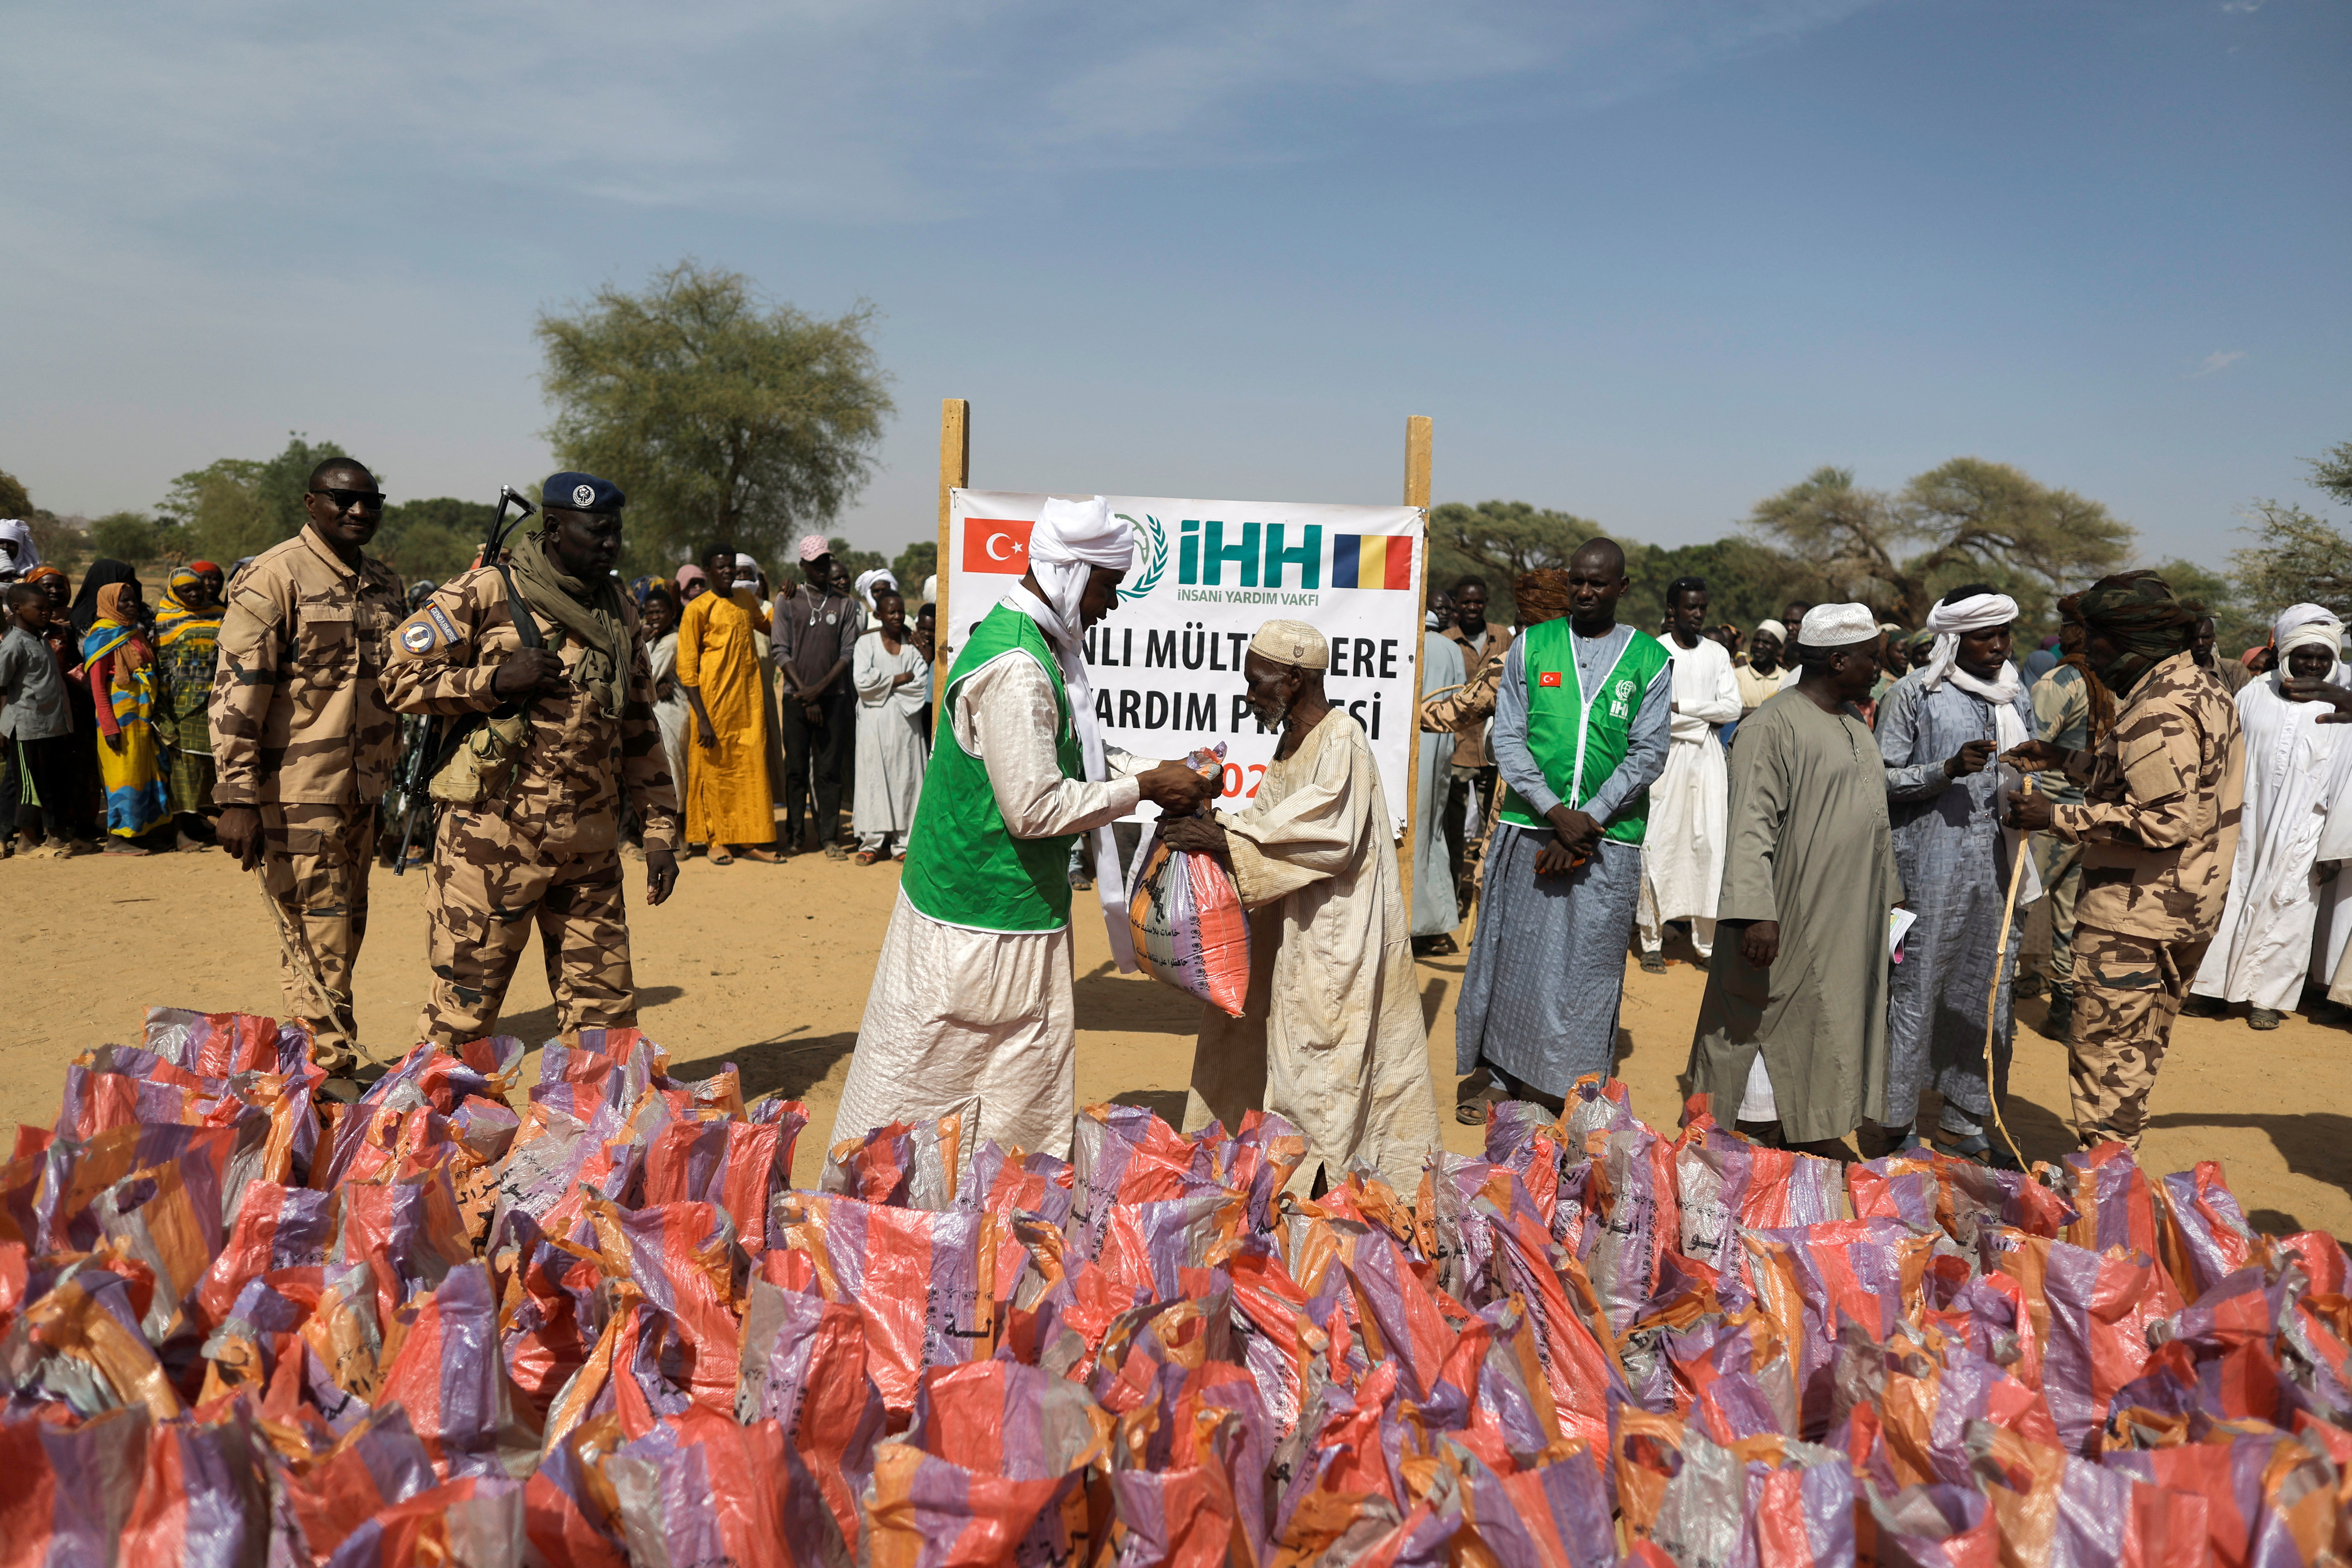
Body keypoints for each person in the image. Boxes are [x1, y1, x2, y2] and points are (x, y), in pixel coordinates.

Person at [827, 496, 1217, 1160]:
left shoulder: (1034, 642)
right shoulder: (1018, 663)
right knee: (931, 1101)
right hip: (978, 920)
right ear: (1071, 573)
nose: (1111, 604)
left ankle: (986, 1224)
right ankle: (888, 1217)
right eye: (1108, 587)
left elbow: (1064, 754)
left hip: (1001, 910)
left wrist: (1150, 771)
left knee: (1002, 1096)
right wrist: (1146, 788)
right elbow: (1033, 807)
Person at [384, 472, 680, 1050]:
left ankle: (593, 1135)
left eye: (617, 532)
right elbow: (396, 677)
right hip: (491, 845)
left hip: (588, 847)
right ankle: (437, 1136)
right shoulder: (485, 592)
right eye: (597, 532)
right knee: (462, 1015)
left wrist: (660, 829)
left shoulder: (618, 608)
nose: (611, 544)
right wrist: (492, 679)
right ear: (553, 527)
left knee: (605, 1018)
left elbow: (640, 722)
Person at [1167, 620, 1445, 1194]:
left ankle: (1315, 1207)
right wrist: (1215, 824)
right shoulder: (1291, 741)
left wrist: (1225, 841)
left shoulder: (1342, 738)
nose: (1249, 695)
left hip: (1333, 936)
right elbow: (1269, 821)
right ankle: (1264, 1180)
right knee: (1265, 1048)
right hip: (1287, 929)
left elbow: (1326, 835)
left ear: (1292, 679)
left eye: (1257, 681)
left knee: (1319, 1071)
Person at [2005, 570, 2244, 1152]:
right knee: (2134, 1059)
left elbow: (2163, 820)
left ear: (2134, 641)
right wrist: (2067, 759)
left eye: (2098, 638)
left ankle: (2103, 1206)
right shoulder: (2203, 688)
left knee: (2106, 1068)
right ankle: (2115, 1186)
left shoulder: (2158, 710)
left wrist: (2055, 818)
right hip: (2186, 906)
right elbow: (2166, 783)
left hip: (2134, 918)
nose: (2086, 650)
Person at [1453, 540, 1672, 1116]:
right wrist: (1555, 811)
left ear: (1622, 588)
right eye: (1577, 580)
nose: (1585, 591)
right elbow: (1508, 737)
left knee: (1588, 967)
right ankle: (1500, 1071)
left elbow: (1649, 752)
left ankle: (1568, 1082)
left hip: (1608, 838)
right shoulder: (1532, 646)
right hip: (1530, 825)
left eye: (1598, 583)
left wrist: (1589, 819)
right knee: (1511, 957)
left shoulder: (1649, 659)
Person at [209, 457, 406, 1082]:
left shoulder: (383, 582)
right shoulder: (274, 578)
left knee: (344, 928)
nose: (357, 511)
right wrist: (236, 795)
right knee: (317, 931)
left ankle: (322, 1054)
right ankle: (326, 1069)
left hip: (364, 789)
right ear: (310, 502)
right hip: (297, 791)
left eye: (370, 501)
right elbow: (239, 691)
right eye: (342, 499)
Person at [1687, 605, 1904, 1158]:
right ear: (1837, 660)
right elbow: (1749, 829)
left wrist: (1892, 899)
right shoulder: (1771, 726)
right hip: (1786, 920)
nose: (1877, 670)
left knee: (1827, 1028)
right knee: (1764, 1037)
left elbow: (1872, 817)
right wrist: (1758, 912)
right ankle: (1750, 1154)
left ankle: (1808, 1136)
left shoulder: (1855, 722)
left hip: (1846, 920)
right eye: (1870, 659)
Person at [1870, 587, 2034, 1164]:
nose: (1997, 646)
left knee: (1987, 990)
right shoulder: (1916, 693)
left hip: (1997, 869)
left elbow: (2031, 765)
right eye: (1985, 635)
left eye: (2004, 634)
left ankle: (1967, 1118)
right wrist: (1944, 770)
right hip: (1925, 870)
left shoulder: (2015, 696)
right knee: (1916, 989)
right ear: (1953, 639)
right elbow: (1880, 778)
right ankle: (1896, 1120)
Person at [2183, 606, 2352, 1029]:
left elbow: (2348, 781)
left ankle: (2266, 999)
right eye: (2303, 655)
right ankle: (2208, 990)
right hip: (2243, 821)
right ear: (2285, 656)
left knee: (2289, 909)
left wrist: (2334, 846)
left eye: (2321, 657)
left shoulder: (2343, 708)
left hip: (2306, 828)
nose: (2312, 664)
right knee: (2227, 900)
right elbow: (2224, 758)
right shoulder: (2253, 694)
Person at [1636, 576, 1742, 972]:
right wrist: (1701, 718)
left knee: (1710, 845)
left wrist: (1684, 708)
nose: (1698, 614)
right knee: (1659, 844)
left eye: (1702, 607)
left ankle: (1707, 945)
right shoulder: (1654, 651)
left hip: (1708, 762)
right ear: (1672, 610)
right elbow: (1651, 716)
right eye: (1690, 607)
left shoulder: (1716, 653)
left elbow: (1732, 707)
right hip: (1665, 761)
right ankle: (1651, 939)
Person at [2019, 595, 2108, 1039]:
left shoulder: (2061, 681)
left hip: (2051, 814)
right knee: (2070, 920)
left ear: (2078, 631)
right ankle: (2064, 1011)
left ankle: (1997, 1008)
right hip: (2093, 815)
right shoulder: (2113, 682)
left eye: (2067, 623)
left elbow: (2029, 749)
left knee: (2016, 907)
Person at [676, 545, 782, 864]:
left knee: (750, 772)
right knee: (715, 773)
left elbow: (768, 625)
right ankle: (716, 840)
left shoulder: (746, 600)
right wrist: (703, 718)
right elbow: (687, 668)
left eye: (731, 567)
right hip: (712, 707)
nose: (728, 572)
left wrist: (788, 600)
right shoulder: (698, 608)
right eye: (721, 567)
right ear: (708, 570)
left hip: (747, 707)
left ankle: (750, 839)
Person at [774, 536, 860, 857]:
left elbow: (847, 652)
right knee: (796, 769)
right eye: (815, 563)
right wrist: (805, 694)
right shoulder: (788, 599)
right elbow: (780, 650)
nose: (822, 567)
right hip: (796, 699)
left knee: (829, 771)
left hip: (833, 697)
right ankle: (795, 836)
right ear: (803, 566)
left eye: (825, 561)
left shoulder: (845, 604)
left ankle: (829, 838)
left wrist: (818, 690)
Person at [83, 579, 172, 852]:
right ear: (110, 604)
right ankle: (117, 839)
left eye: (134, 599)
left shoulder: (133, 631)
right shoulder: (101, 637)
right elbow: (98, 686)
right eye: (125, 601)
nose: (132, 605)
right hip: (119, 718)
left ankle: (143, 831)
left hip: (143, 715)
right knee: (123, 776)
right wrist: (109, 727)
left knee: (146, 771)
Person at [1439, 576, 1511, 899]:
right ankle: (1454, 897)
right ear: (1456, 604)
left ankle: (1489, 898)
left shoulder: (1504, 637)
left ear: (1486, 602)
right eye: (1466, 602)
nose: (1472, 607)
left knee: (1493, 830)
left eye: (1478, 602)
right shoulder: (1445, 641)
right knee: (1454, 832)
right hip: (1455, 748)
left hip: (1493, 749)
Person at [850, 588, 928, 863]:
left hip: (906, 724)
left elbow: (920, 683)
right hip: (873, 724)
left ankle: (903, 844)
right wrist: (900, 678)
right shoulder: (866, 644)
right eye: (891, 612)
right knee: (873, 778)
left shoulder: (912, 645)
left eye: (901, 611)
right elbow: (862, 682)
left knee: (906, 778)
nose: (897, 616)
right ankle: (871, 843)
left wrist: (884, 682)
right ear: (878, 614)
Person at [1, 583, 79, 856]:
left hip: (53, 725)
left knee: (53, 783)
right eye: (40, 608)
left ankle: (56, 836)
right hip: (26, 727)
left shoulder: (41, 640)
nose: (47, 613)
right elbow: (2, 685)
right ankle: (26, 841)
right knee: (28, 787)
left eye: (48, 608)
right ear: (18, 609)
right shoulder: (13, 644)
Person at [153, 562, 225, 845]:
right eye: (187, 590)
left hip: (216, 699)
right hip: (180, 703)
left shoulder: (219, 614)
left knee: (212, 766)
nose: (196, 594)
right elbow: (162, 665)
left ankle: (203, 824)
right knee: (185, 766)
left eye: (198, 588)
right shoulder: (164, 620)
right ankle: (181, 832)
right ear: (174, 592)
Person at [1411, 626, 1466, 952]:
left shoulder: (1398, 635)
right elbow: (1461, 704)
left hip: (1410, 744)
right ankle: (1434, 925)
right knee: (1429, 832)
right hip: (1435, 746)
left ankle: (1419, 925)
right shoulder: (1449, 647)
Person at [641, 586, 693, 830]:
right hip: (659, 710)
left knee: (672, 769)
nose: (654, 618)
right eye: (649, 613)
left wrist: (655, 681)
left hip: (671, 714)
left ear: (672, 613)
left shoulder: (671, 641)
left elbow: (645, 677)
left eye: (660, 612)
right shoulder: (655, 639)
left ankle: (678, 833)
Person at [1737, 622, 1790, 715]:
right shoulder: (1737, 676)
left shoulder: (1787, 679)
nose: (1759, 646)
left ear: (1780, 648)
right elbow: (1733, 713)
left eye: (1767, 643)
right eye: (1756, 641)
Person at [2194, 615, 2254, 695]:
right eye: (2194, 638)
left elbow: (2244, 702)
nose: (2201, 643)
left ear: (2214, 638)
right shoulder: (2177, 672)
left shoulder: (2235, 670)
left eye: (2206, 637)